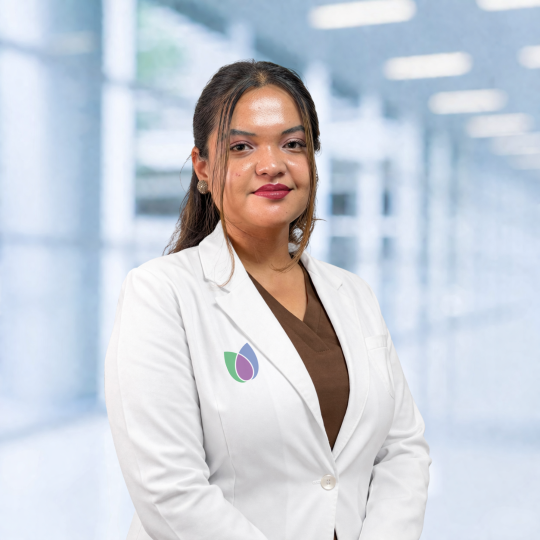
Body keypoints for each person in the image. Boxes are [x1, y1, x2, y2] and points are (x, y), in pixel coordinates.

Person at [105, 60, 431, 540]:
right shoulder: (160, 293)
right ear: (203, 167)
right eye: (242, 147)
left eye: (293, 144)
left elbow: (401, 448)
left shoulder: (353, 294)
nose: (272, 164)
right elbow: (168, 490)